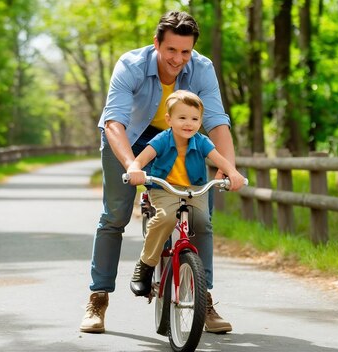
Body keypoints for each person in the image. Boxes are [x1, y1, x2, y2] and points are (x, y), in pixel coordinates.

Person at [80, 11, 244, 334]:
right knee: (114, 215)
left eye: (185, 52)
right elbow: (114, 123)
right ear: (157, 44)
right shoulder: (131, 66)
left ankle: (202, 297)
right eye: (171, 50)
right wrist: (131, 165)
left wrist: (231, 169)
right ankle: (98, 298)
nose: (178, 59)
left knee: (201, 216)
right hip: (129, 140)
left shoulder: (202, 69)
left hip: (180, 140)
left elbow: (216, 122)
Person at [124, 90, 245, 301]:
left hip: (195, 189)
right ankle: (146, 264)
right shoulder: (162, 139)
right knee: (166, 218)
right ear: (169, 120)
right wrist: (135, 169)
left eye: (194, 119)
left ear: (200, 122)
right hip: (165, 189)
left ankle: (202, 283)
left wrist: (233, 173)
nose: (188, 123)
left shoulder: (202, 141)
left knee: (203, 223)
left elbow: (220, 159)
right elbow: (140, 160)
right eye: (182, 118)